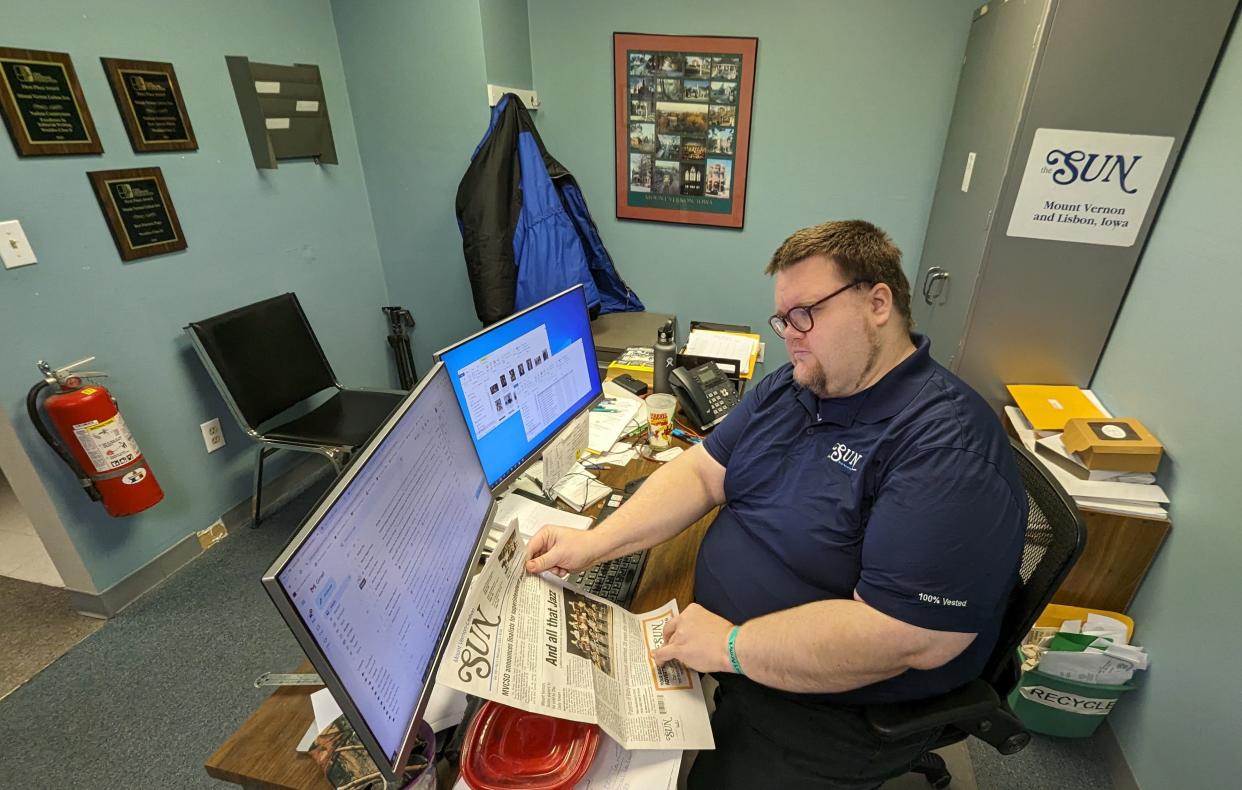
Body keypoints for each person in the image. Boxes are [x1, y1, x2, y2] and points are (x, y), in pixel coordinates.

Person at [525, 220, 1027, 789]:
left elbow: (905, 635)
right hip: (732, 648)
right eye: (782, 319)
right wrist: (596, 541)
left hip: (836, 704)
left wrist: (732, 646)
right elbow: (700, 472)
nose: (790, 335)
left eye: (804, 314)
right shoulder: (799, 385)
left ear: (877, 303)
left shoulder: (945, 448)